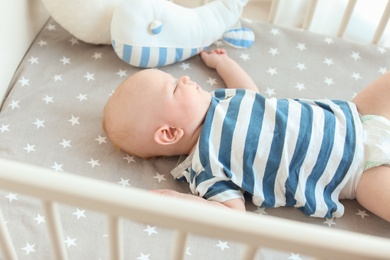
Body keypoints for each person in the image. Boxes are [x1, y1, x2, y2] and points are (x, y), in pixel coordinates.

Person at [103, 49, 390, 221]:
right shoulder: (206, 168)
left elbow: (253, 95)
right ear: (169, 133)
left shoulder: (221, 100)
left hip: (355, 116)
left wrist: (225, 66)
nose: (187, 78)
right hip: (355, 172)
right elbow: (230, 214)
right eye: (177, 87)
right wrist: (177, 202)